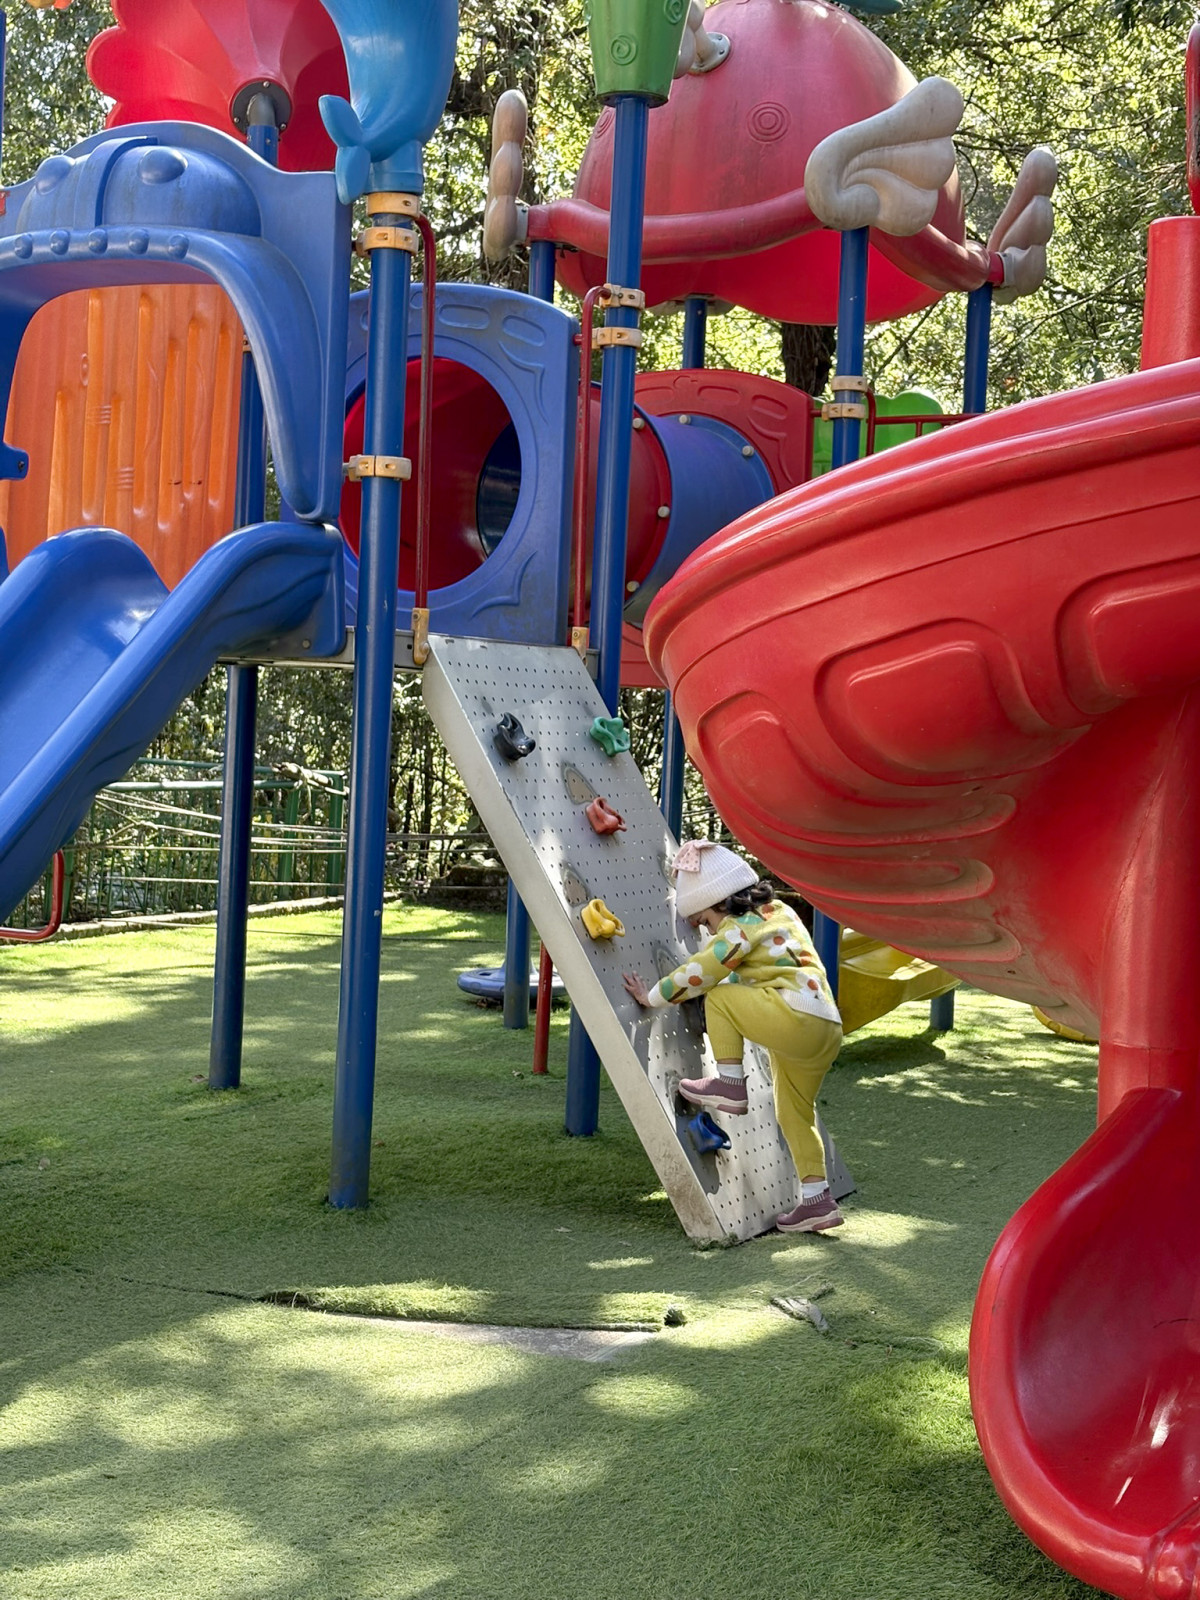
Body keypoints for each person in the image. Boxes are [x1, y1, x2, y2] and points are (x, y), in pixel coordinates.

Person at [622, 840, 844, 1234]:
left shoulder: (740, 928)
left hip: (795, 1017)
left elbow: (705, 969)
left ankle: (729, 1084)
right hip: (825, 1026)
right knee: (794, 1114)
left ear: (719, 903)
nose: (705, 928)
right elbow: (758, 969)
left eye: (704, 919)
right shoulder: (780, 912)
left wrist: (652, 996)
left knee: (719, 995)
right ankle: (817, 1200)